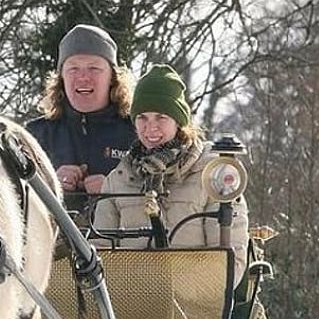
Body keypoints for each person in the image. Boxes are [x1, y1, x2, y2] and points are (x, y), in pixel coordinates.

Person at [94, 63, 249, 280]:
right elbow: (100, 253)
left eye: (161, 117)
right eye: (142, 118)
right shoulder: (118, 180)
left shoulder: (213, 175)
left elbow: (229, 263)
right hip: (131, 306)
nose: (150, 127)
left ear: (179, 121)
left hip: (197, 307)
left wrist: (180, 293)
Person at [26, 24, 136, 212]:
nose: (83, 77)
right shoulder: (35, 134)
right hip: (53, 239)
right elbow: (14, 197)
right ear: (61, 77)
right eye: (73, 68)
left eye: (94, 68)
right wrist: (49, 182)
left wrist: (114, 189)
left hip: (120, 239)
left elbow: (162, 193)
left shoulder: (138, 132)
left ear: (112, 77)